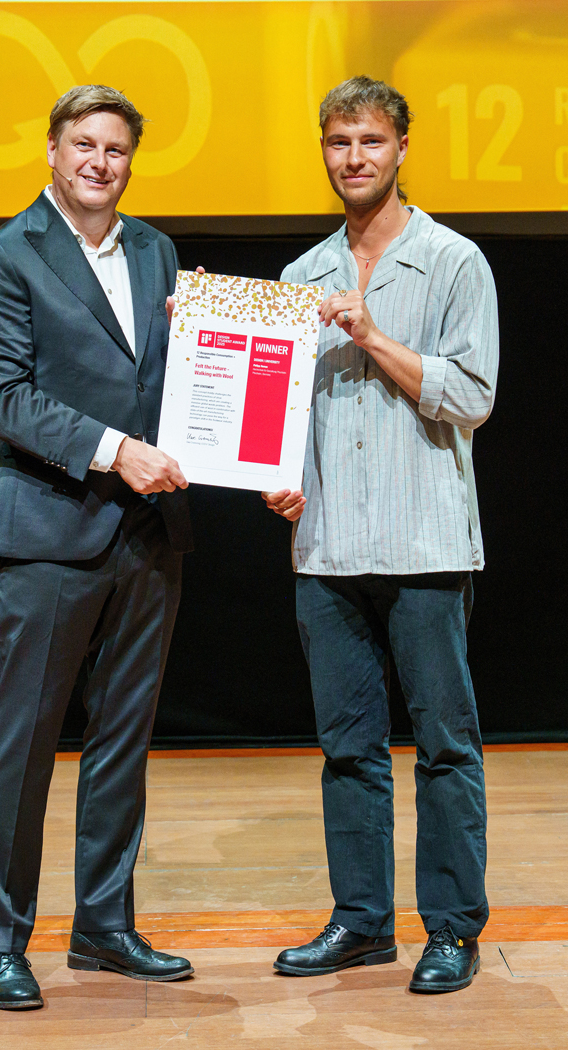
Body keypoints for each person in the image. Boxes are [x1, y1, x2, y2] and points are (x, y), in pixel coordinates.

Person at [0, 85, 195, 1010]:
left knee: (123, 740)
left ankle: (103, 925)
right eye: (85, 145)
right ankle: (1, 943)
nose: (101, 163)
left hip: (150, 532)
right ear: (53, 151)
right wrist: (115, 450)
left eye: (117, 149)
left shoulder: (156, 250)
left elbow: (175, 378)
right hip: (51, 528)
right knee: (23, 746)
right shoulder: (4, 252)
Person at [264, 75, 499, 994]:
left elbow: (472, 396)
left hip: (424, 543)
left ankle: (452, 930)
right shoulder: (300, 277)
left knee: (445, 746)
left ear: (402, 147)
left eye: (369, 140)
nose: (353, 157)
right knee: (348, 749)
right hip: (327, 549)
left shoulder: (453, 261)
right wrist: (274, 475)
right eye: (338, 142)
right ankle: (361, 922)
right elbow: (282, 414)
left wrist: (370, 334)